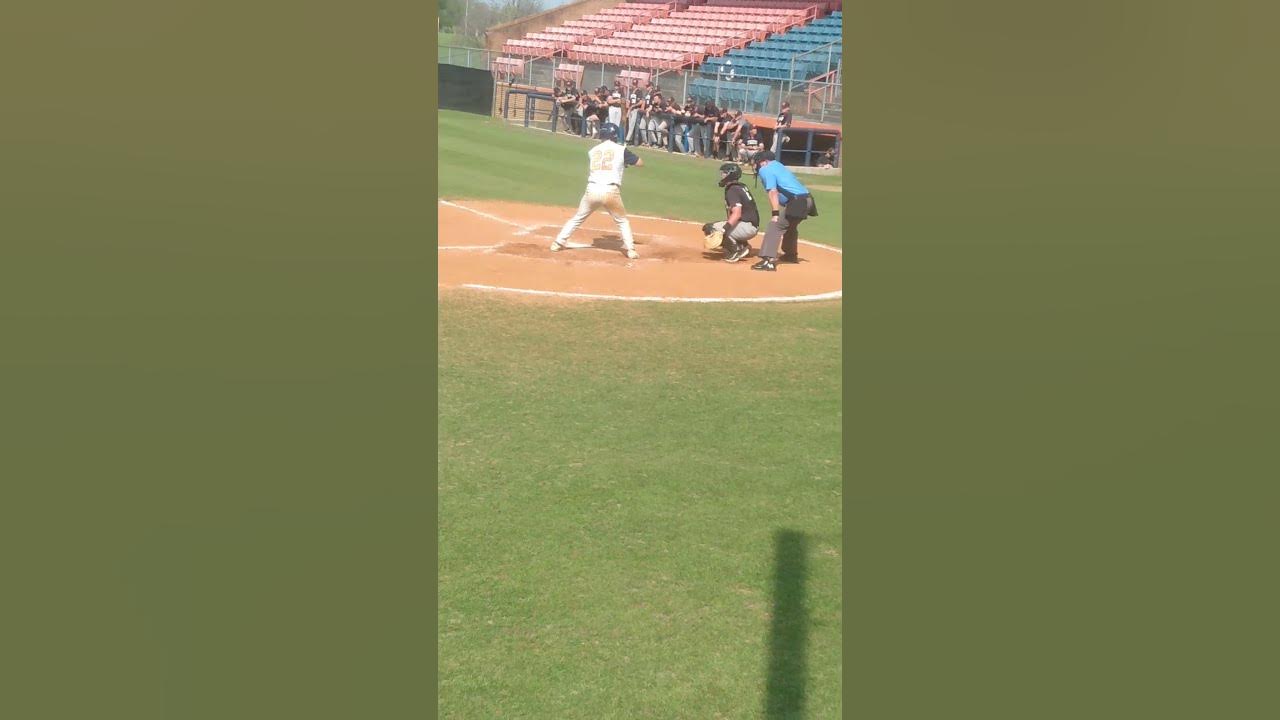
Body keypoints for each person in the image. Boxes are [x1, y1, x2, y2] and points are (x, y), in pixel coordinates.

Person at [550, 122, 644, 260]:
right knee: (622, 221)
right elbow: (640, 162)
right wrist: (625, 161)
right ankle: (630, 250)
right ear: (615, 136)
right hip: (611, 191)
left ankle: (558, 242)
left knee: (578, 218)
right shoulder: (621, 149)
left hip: (592, 189)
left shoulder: (592, 151)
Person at [750, 150, 818, 271]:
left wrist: (775, 213)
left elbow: (772, 191)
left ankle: (768, 261)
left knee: (775, 226)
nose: (757, 165)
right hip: (808, 200)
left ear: (764, 162)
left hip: (798, 202)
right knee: (790, 226)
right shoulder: (778, 165)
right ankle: (790, 255)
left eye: (758, 162)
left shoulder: (765, 169)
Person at [704, 163, 761, 263]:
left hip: (747, 227)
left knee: (710, 228)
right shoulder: (740, 186)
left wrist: (723, 230)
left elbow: (737, 213)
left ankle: (735, 251)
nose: (722, 175)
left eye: (724, 173)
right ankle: (743, 246)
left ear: (730, 175)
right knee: (725, 225)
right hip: (750, 225)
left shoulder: (732, 190)